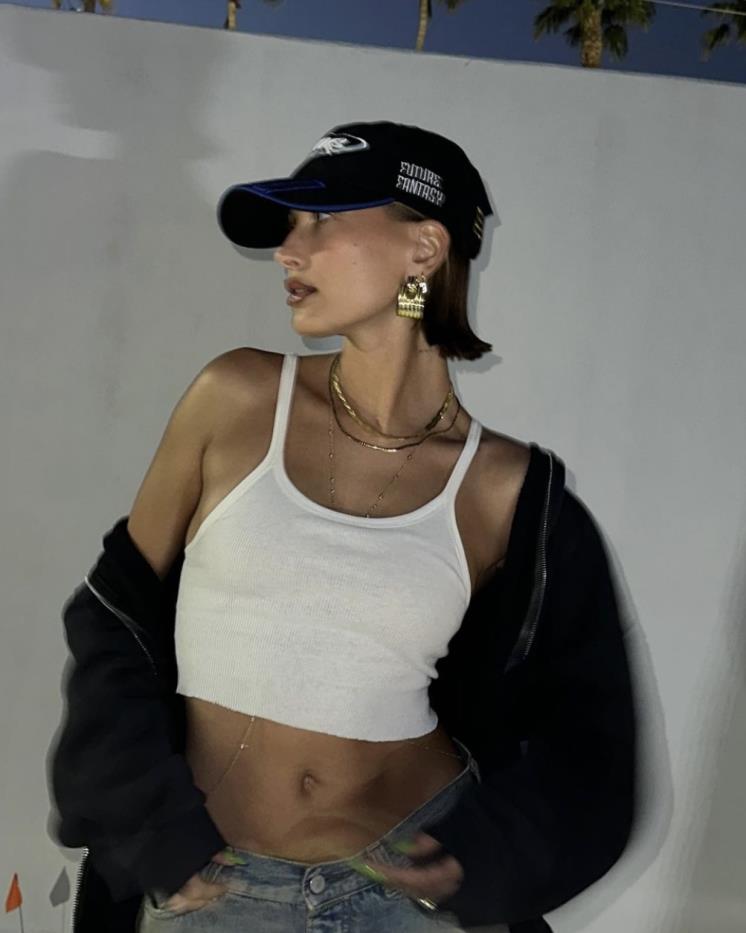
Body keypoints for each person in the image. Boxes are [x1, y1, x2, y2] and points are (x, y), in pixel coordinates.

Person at [49, 121, 638, 933]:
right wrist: (150, 825)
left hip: (402, 891)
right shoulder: (236, 397)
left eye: (321, 220)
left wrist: (486, 856)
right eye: (290, 226)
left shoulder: (507, 488)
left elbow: (589, 733)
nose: (289, 251)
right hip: (216, 885)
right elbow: (112, 622)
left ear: (423, 247)